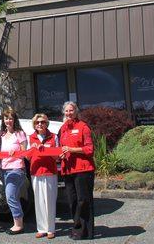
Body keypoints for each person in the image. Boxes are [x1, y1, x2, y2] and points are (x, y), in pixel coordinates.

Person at [59, 101, 95, 240]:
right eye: (66, 111)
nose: (69, 113)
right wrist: (61, 155)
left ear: (76, 112)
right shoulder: (62, 129)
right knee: (72, 201)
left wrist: (72, 150)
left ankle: (87, 231)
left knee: (83, 201)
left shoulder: (83, 127)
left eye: (71, 110)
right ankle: (77, 228)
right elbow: (62, 148)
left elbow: (89, 149)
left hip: (83, 169)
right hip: (68, 170)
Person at [28, 113, 59, 239]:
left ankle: (51, 229)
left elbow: (56, 156)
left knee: (50, 201)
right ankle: (41, 228)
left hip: (49, 172)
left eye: (42, 122)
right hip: (35, 172)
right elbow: (27, 156)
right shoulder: (30, 137)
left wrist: (45, 150)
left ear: (46, 123)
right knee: (39, 202)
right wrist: (33, 149)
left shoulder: (54, 137)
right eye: (37, 122)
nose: (40, 124)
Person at [0, 107, 28, 235]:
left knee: (11, 196)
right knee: (12, 196)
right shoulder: (2, 134)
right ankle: (17, 221)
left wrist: (16, 153)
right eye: (6, 118)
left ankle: (19, 225)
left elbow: (24, 152)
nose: (8, 120)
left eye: (11, 118)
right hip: (4, 169)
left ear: (14, 119)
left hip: (16, 169)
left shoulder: (20, 133)